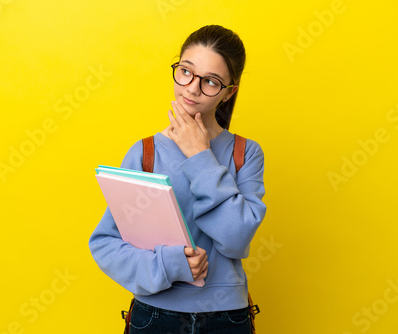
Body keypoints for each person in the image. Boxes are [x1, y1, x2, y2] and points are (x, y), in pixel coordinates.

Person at [89, 24, 266, 333]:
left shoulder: (245, 153)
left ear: (229, 92)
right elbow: (105, 243)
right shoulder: (145, 153)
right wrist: (170, 265)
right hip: (156, 316)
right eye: (186, 72)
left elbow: (236, 239)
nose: (192, 88)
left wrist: (200, 155)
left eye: (210, 81)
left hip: (227, 318)